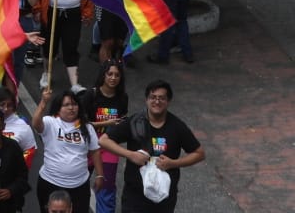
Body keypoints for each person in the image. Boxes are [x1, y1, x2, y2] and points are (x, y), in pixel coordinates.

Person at [98, 80, 204, 213]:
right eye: (153, 97)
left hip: (164, 197)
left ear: (168, 101)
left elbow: (199, 153)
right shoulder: (134, 122)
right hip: (134, 196)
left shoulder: (177, 126)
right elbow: (104, 140)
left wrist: (174, 163)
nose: (157, 102)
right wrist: (130, 154)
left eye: (161, 98)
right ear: (146, 100)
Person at [31, 87, 101, 213]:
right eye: (66, 105)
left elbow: (95, 151)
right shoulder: (50, 122)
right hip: (50, 183)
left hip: (79, 186)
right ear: (58, 108)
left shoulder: (87, 127)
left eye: (74, 104)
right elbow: (36, 123)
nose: (71, 108)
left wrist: (100, 175)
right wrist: (43, 102)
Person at [81, 60, 129, 213]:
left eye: (117, 75)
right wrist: (107, 122)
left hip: (109, 146)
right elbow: (81, 123)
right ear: (103, 75)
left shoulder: (123, 98)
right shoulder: (91, 95)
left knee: (107, 185)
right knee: (80, 181)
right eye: (110, 74)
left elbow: (121, 122)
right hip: (89, 145)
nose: (113, 78)